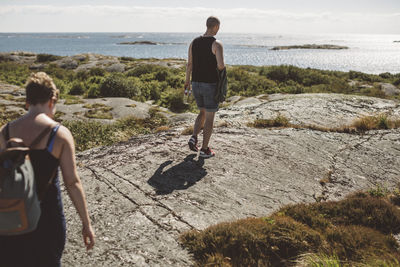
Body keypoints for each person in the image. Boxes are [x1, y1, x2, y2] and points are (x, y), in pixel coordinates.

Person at [0, 72, 95, 267]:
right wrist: (86, 223)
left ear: (28, 102)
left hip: (10, 217)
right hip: (47, 220)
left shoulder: (5, 131)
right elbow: (72, 182)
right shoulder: (59, 134)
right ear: (52, 101)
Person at [185, 16, 225, 158]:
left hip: (196, 83)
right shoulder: (216, 44)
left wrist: (187, 81)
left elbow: (189, 64)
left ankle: (194, 137)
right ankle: (204, 149)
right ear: (216, 27)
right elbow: (220, 66)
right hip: (210, 84)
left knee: (201, 112)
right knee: (209, 117)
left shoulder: (194, 42)